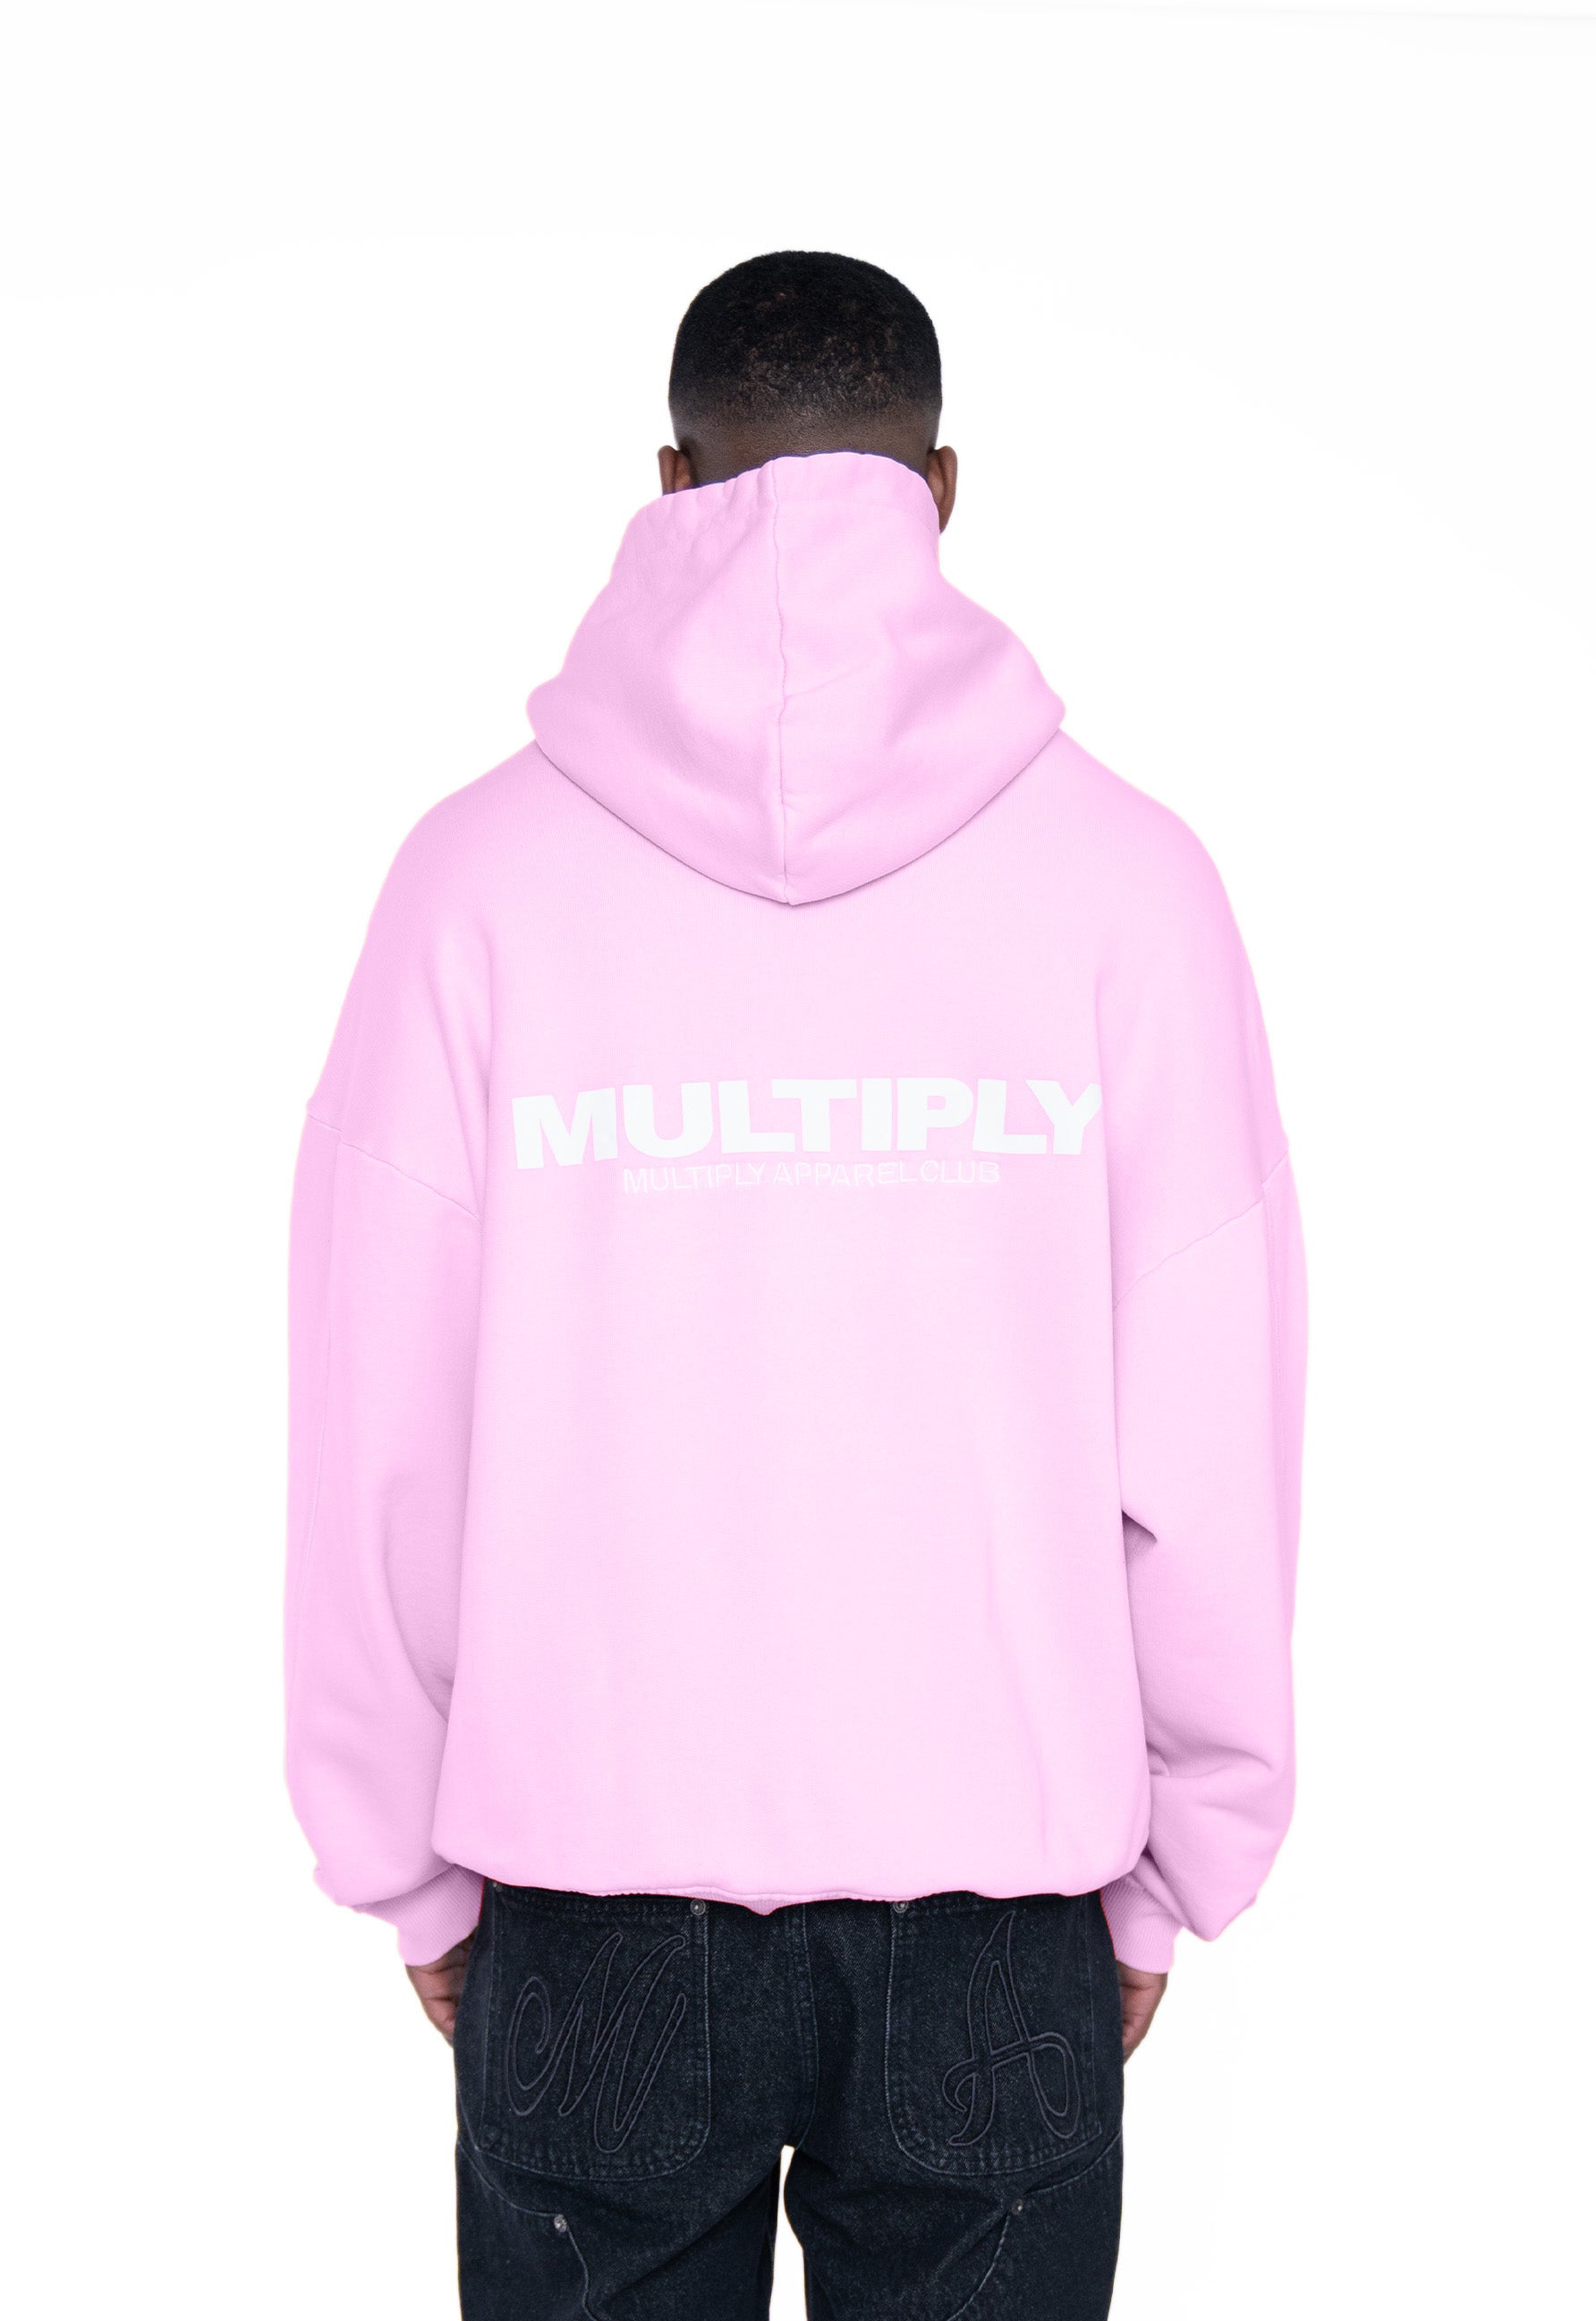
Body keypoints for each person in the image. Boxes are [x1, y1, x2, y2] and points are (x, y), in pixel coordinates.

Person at [285, 249, 1306, 2319]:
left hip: (588, 1900)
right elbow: (1212, 1434)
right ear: (942, 486)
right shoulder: (1131, 887)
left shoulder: (474, 884)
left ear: (668, 480)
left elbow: (379, 1421)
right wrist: (1181, 1859)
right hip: (999, 1912)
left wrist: (403, 1852)